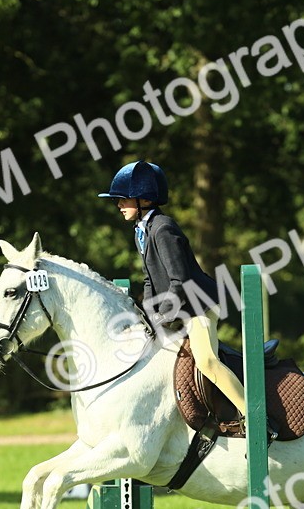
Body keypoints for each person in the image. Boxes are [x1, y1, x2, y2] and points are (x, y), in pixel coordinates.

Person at [98, 160, 248, 417]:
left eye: (123, 200)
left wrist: (162, 316)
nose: (119, 205)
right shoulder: (141, 230)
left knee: (207, 362)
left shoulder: (163, 228)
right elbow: (150, 280)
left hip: (197, 305)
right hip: (178, 307)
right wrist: (146, 313)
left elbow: (180, 281)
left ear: (142, 199)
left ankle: (254, 415)